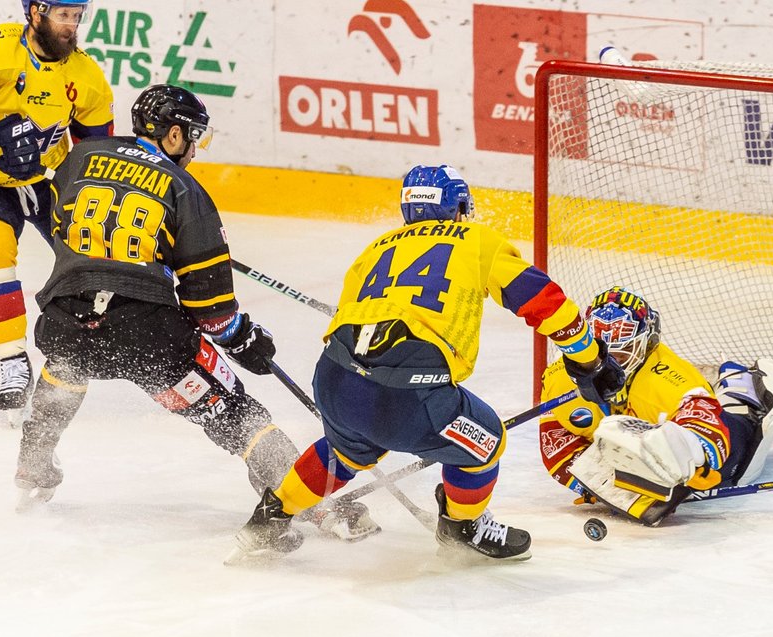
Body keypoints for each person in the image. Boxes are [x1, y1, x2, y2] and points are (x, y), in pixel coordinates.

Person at [12, 84, 373, 541]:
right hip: (148, 340)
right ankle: (316, 503)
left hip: (64, 320)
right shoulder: (185, 188)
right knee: (238, 413)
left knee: (68, 362)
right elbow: (212, 308)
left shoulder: (81, 157)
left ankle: (32, 463)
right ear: (174, 135)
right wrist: (244, 339)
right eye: (193, 137)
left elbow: (62, 222)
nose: (195, 149)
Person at [227, 164, 626, 563]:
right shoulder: (476, 240)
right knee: (486, 443)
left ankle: (270, 518)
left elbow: (347, 313)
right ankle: (461, 526)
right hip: (407, 396)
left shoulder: (377, 247)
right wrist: (590, 361)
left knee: (345, 449)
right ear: (458, 206)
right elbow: (542, 299)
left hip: (334, 378)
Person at [538, 286, 773, 527]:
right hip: (642, 432)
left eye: (621, 353)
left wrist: (693, 459)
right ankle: (733, 380)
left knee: (737, 471)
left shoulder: (669, 378)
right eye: (601, 354)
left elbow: (712, 435)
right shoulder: (559, 378)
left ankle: (751, 389)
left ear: (646, 344)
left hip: (707, 427)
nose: (611, 366)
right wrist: (600, 483)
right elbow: (557, 445)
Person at [0, 0, 114, 422]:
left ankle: (85, 351)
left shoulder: (86, 76)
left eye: (77, 17)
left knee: (99, 260)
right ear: (35, 13)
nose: (71, 26)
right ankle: (11, 359)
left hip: (49, 183)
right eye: (63, 16)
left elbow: (97, 151)